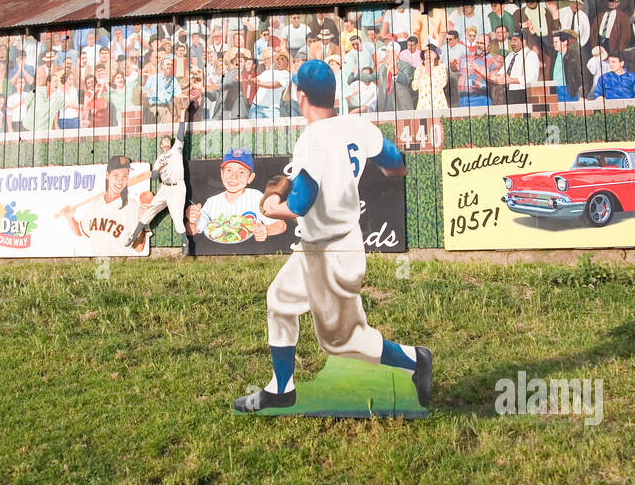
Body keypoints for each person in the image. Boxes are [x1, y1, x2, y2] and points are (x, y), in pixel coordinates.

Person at [235, 60, 432, 413]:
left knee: (344, 342)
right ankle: (282, 388)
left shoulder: (312, 138)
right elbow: (394, 161)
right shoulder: (356, 123)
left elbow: (299, 205)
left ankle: (416, 360)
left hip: (331, 251)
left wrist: (271, 205)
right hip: (324, 245)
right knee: (280, 300)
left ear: (300, 96)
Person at [186, 147, 286, 242]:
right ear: (222, 174)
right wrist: (192, 221)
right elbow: (192, 230)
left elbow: (280, 225)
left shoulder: (256, 197)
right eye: (229, 170)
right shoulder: (212, 202)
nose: (234, 177)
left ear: (250, 177)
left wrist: (266, 230)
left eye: (241, 172)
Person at [57, 155, 147, 256]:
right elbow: (80, 231)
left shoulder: (133, 207)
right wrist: (69, 218)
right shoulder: (94, 205)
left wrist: (141, 221)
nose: (120, 180)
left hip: (120, 263)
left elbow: (139, 248)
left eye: (124, 176)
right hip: (97, 263)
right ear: (108, 175)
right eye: (116, 175)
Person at [127, 120, 192, 250]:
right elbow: (154, 176)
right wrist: (159, 169)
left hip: (177, 187)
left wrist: (182, 118)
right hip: (165, 187)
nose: (167, 141)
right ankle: (133, 236)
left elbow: (180, 135)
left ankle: (185, 243)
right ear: (161, 145)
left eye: (169, 140)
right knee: (150, 210)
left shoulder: (176, 150)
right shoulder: (159, 159)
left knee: (177, 216)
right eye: (165, 141)